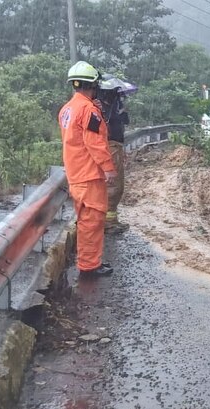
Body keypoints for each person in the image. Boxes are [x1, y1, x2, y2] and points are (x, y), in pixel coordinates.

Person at [58, 61, 116, 277]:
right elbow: (95, 143)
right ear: (93, 85)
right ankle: (89, 265)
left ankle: (88, 261)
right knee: (92, 221)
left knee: (85, 221)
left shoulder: (67, 109)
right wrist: (108, 168)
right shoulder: (88, 110)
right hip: (89, 175)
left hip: (75, 173)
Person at [97, 79, 130, 234]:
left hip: (116, 145)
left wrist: (122, 115)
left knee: (117, 185)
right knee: (114, 186)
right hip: (111, 146)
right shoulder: (101, 107)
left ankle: (111, 220)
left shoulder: (114, 106)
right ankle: (108, 223)